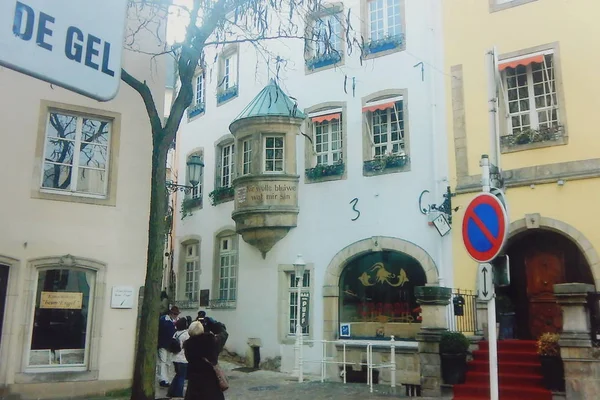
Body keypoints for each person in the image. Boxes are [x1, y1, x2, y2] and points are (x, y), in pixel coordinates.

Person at [183, 321, 224, 400]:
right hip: (210, 376)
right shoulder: (211, 341)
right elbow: (223, 335)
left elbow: (188, 359)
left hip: (195, 378)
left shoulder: (188, 345)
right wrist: (214, 325)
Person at [157, 306, 180, 387]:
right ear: (170, 313)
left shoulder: (177, 321)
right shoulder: (163, 320)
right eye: (174, 314)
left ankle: (167, 379)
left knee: (168, 362)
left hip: (171, 346)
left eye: (176, 314)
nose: (175, 315)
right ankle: (162, 379)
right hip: (163, 344)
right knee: (162, 362)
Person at [167, 318, 190, 398]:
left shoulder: (176, 333)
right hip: (183, 358)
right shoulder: (186, 334)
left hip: (175, 358)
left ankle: (171, 391)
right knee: (181, 377)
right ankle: (178, 394)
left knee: (178, 375)